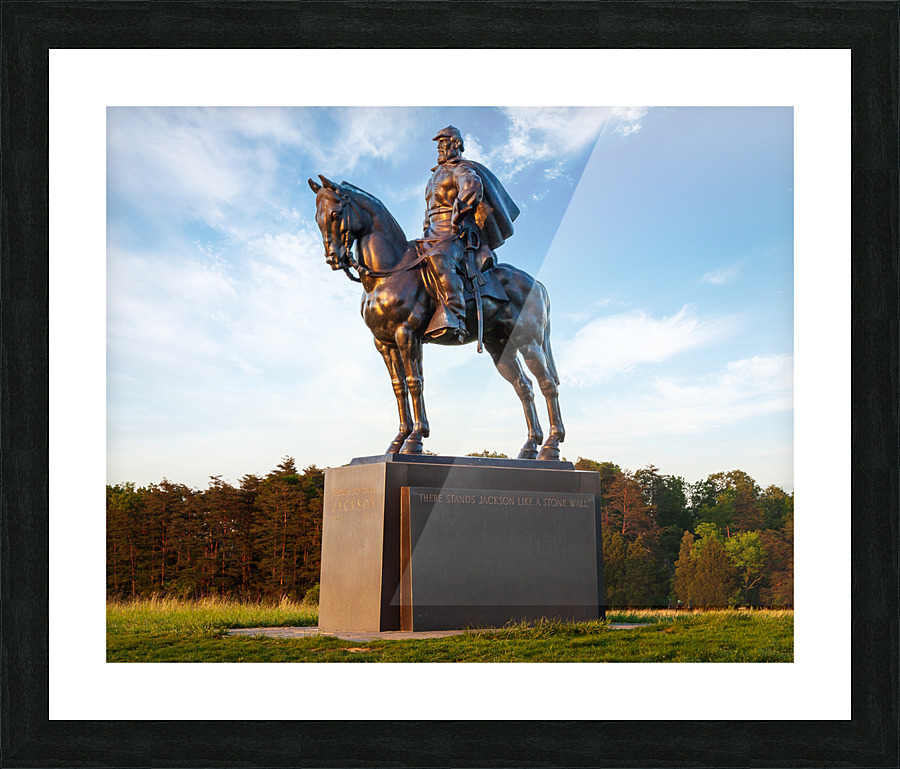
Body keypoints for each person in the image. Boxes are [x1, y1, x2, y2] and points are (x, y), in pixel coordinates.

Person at [419, 126, 520, 343]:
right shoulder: (434, 176)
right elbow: (429, 210)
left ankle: (455, 315)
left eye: (444, 143)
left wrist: (459, 211)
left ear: (456, 144)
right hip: (431, 235)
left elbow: (471, 186)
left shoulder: (460, 168)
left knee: (438, 257)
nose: (440, 148)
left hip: (455, 234)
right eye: (439, 144)